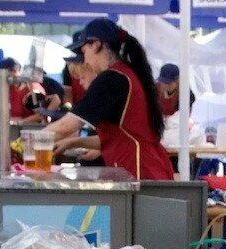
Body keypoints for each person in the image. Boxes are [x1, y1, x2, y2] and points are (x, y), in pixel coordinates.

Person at [47, 19, 174, 180]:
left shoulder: (112, 78)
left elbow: (66, 126)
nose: (84, 59)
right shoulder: (125, 73)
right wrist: (72, 142)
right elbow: (117, 138)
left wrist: (27, 141)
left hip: (138, 171)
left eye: (84, 51)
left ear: (96, 44)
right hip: (146, 167)